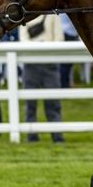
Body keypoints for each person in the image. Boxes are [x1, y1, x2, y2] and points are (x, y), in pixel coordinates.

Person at [20, 14, 65, 143]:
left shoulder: (52, 16)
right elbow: (23, 39)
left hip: (49, 64)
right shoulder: (24, 17)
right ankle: (32, 135)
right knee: (30, 104)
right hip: (31, 64)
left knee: (53, 103)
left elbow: (59, 38)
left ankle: (57, 135)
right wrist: (40, 46)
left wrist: (42, 46)